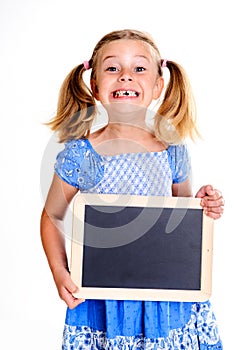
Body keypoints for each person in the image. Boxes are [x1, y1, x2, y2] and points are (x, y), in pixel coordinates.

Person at [40, 29, 225, 349]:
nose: (125, 77)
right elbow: (52, 217)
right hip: (104, 301)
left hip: (166, 299)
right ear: (95, 86)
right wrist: (60, 272)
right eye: (112, 68)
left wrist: (204, 205)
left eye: (139, 68)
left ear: (157, 86)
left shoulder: (172, 150)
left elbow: (181, 218)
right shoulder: (82, 154)